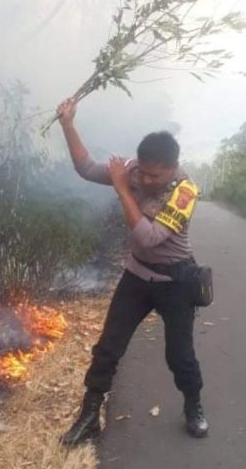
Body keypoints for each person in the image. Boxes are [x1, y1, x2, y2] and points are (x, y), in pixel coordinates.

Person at [56, 98, 208, 445]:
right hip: (138, 276)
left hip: (176, 281)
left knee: (180, 355)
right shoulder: (134, 169)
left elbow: (150, 237)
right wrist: (68, 124)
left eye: (156, 175)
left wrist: (123, 189)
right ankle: (90, 415)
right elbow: (86, 167)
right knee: (108, 347)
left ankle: (193, 405)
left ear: (173, 169)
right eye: (143, 171)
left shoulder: (185, 192)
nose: (147, 179)